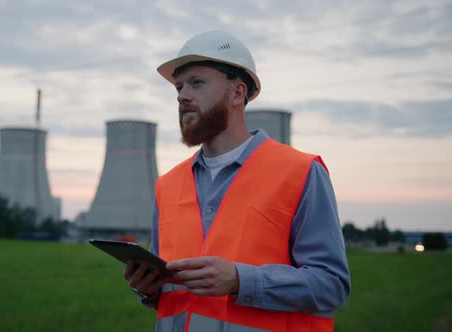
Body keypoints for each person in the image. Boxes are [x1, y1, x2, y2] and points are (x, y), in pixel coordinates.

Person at [123, 30, 351, 332]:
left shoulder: (300, 171)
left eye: (197, 83)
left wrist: (241, 280)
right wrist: (147, 288)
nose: (181, 95)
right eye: (178, 87)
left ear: (238, 93)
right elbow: (171, 292)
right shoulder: (167, 185)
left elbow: (331, 284)